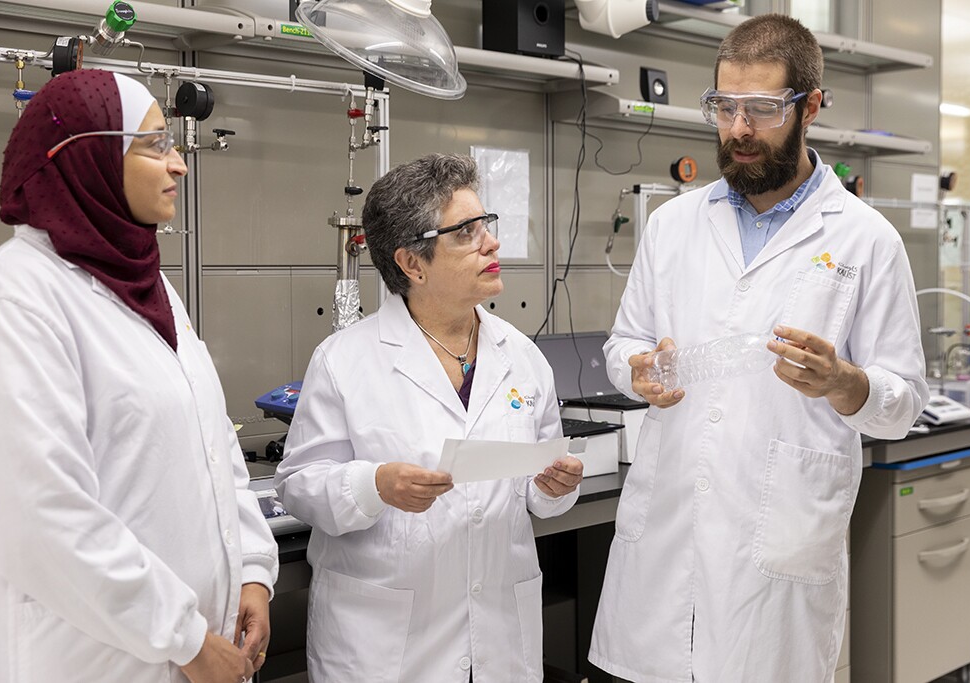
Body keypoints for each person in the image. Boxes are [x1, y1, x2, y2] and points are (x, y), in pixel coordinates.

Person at [588, 14, 928, 683]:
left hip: (777, 553)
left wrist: (843, 382)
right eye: (724, 106)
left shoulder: (866, 240)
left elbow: (902, 402)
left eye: (763, 109)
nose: (738, 129)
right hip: (661, 550)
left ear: (811, 106)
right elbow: (623, 343)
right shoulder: (674, 225)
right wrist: (636, 369)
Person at [0, 69, 278, 683]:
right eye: (156, 145)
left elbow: (212, 443)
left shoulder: (152, 285)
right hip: (92, 659)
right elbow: (41, 514)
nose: (180, 166)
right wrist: (186, 638)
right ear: (86, 155)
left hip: (198, 644)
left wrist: (252, 570)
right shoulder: (14, 295)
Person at [275, 153, 584, 682]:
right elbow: (299, 486)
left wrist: (555, 487)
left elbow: (538, 495)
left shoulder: (522, 357)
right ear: (412, 264)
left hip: (498, 637)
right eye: (466, 233)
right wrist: (374, 485)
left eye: (487, 224)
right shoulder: (344, 360)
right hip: (388, 648)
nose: (491, 242)